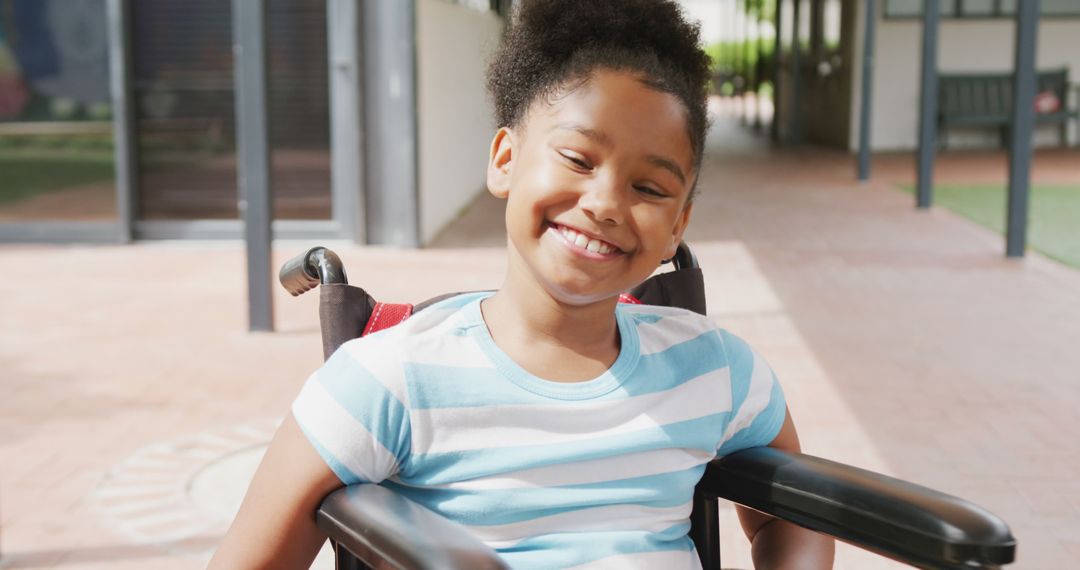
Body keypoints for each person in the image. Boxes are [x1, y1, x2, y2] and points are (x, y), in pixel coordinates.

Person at [211, 0, 835, 568]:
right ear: (506, 160)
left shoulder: (714, 369)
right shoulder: (390, 379)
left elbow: (796, 519)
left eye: (649, 187)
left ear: (678, 226)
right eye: (578, 159)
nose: (606, 203)